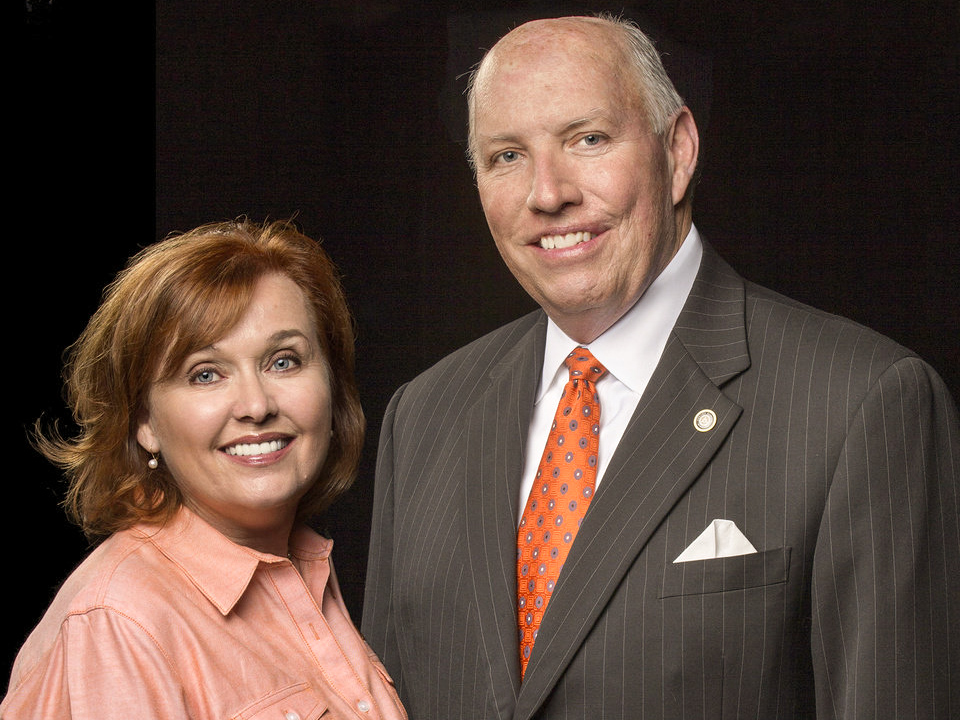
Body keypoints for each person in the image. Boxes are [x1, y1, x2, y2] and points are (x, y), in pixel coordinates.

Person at [360, 13, 960, 720]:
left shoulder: (862, 402)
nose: (547, 194)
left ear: (677, 151)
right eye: (506, 156)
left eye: (588, 140)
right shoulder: (424, 415)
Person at [2, 219, 406, 720]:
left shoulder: (304, 569)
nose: (256, 406)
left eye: (283, 361)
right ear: (144, 422)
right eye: (206, 374)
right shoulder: (119, 621)